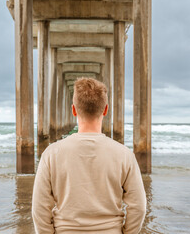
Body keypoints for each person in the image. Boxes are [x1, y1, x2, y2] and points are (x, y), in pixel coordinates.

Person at [32, 77, 146, 234]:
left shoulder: (51, 154)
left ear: (73, 110)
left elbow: (39, 209)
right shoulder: (124, 155)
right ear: (105, 110)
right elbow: (139, 207)